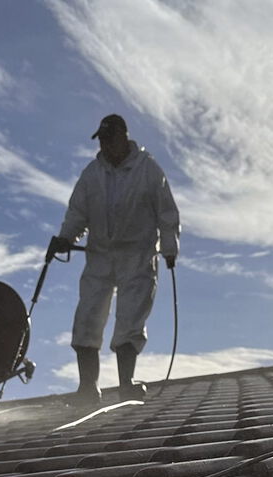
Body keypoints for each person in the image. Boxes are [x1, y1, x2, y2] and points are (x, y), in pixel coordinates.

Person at [50, 113, 180, 404]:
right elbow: (78, 213)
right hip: (100, 256)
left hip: (137, 255)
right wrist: (65, 238)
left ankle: (125, 384)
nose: (106, 145)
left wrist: (169, 248)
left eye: (110, 138)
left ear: (123, 136)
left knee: (130, 319)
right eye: (102, 140)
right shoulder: (92, 174)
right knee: (88, 317)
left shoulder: (148, 170)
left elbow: (167, 213)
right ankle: (87, 388)